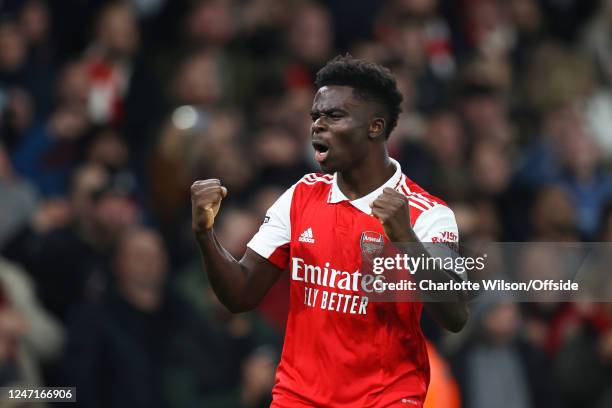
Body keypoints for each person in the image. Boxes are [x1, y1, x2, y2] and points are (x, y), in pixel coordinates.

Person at [191, 55, 468, 407]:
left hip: (385, 399)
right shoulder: (300, 196)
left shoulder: (427, 213)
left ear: (375, 127)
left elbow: (455, 315)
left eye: (334, 115)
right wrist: (205, 233)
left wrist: (406, 240)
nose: (317, 126)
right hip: (298, 398)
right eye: (315, 116)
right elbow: (240, 295)